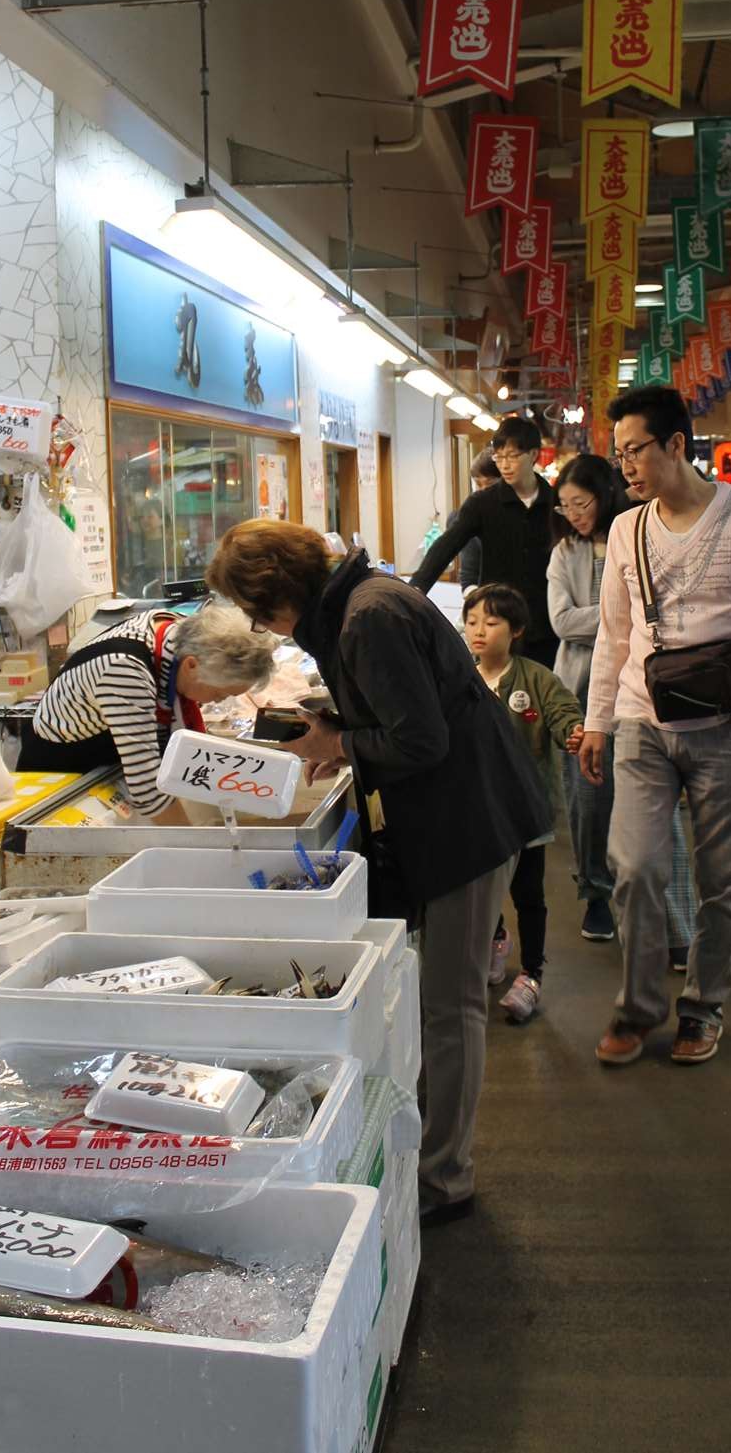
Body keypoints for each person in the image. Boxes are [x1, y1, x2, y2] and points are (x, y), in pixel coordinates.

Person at [207, 520, 550, 1226]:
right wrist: (339, 726)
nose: (257, 622)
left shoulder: (367, 617)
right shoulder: (361, 603)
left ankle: (443, 1179)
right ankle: (431, 1154)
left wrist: (337, 739)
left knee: (451, 1008)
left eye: (255, 607)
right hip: (462, 810)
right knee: (444, 1001)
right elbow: (406, 712)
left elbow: (421, 738)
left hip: (468, 820)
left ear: (278, 592)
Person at [579, 387, 731, 1068]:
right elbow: (615, 634)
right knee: (636, 865)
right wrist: (597, 722)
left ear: (677, 444)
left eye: (636, 450)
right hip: (643, 722)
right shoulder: (626, 529)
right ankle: (639, 1009)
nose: (628, 467)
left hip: (722, 727)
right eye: (619, 456)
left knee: (720, 877)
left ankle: (703, 1005)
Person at [548, 454, 697, 965]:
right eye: (564, 505)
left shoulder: (637, 535)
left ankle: (677, 924)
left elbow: (662, 613)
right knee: (586, 805)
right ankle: (595, 896)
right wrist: (624, 614)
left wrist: (628, 618)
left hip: (642, 693)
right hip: (577, 693)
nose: (572, 514)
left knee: (659, 815)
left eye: (581, 502)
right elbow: (563, 623)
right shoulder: (563, 554)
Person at [19, 606, 276, 824]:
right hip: (61, 786)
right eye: (219, 694)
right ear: (191, 666)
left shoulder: (177, 633)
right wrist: (198, 849)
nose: (218, 701)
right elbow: (149, 792)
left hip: (106, 771)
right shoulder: (125, 670)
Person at [461, 583, 584, 1023]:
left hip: (525, 809)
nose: (479, 631)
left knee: (528, 894)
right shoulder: (458, 676)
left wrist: (572, 731)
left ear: (515, 631)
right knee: (482, 889)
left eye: (491, 623)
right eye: (472, 621)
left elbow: (562, 711)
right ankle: (496, 942)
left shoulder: (535, 678)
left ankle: (531, 974)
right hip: (474, 810)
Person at [411, 416, 559, 667]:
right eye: (499, 457)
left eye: (512, 456)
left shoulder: (555, 503)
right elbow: (448, 545)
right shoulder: (483, 504)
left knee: (543, 696)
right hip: (496, 624)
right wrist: (415, 590)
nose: (505, 465)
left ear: (534, 454)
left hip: (546, 624)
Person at [444, 447, 500, 591]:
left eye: (490, 484)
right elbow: (468, 574)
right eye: (478, 484)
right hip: (479, 596)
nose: (482, 491)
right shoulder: (464, 518)